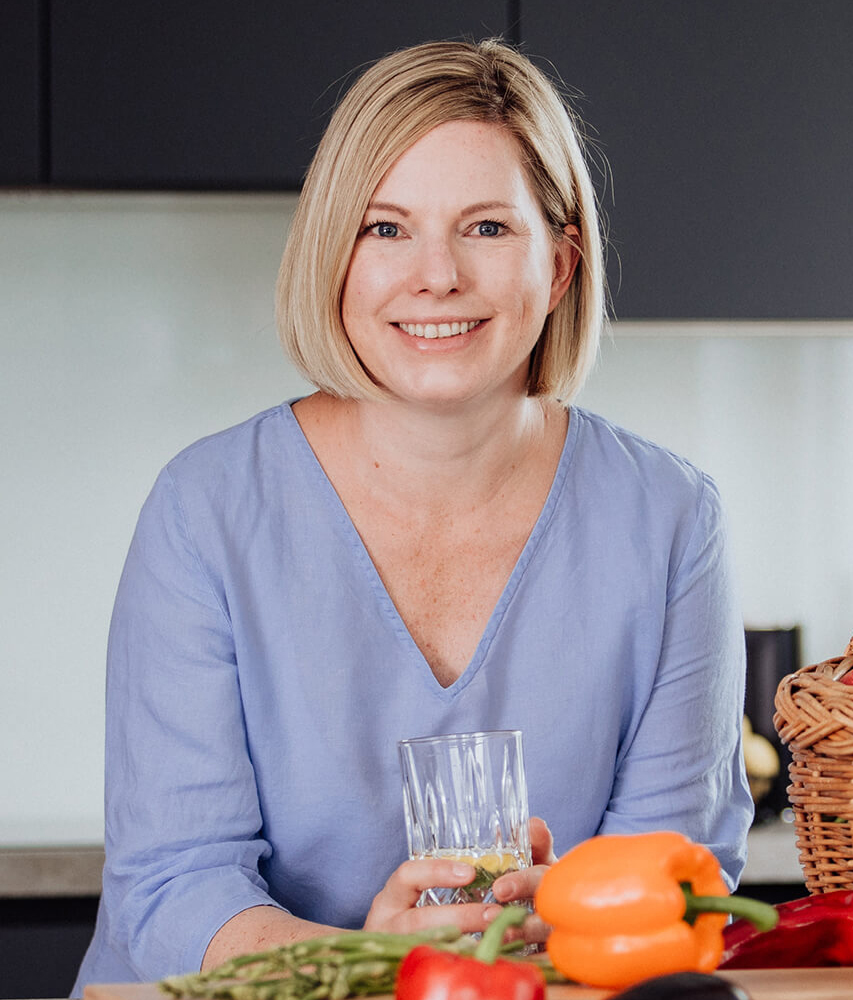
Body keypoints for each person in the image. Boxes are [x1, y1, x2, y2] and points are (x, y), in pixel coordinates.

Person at [72, 37, 753, 994]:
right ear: (334, 257)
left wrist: (572, 916)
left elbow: (680, 870)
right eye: (385, 229)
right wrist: (366, 968)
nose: (435, 277)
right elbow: (173, 883)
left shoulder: (673, 520)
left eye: (485, 228)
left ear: (559, 268)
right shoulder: (207, 511)